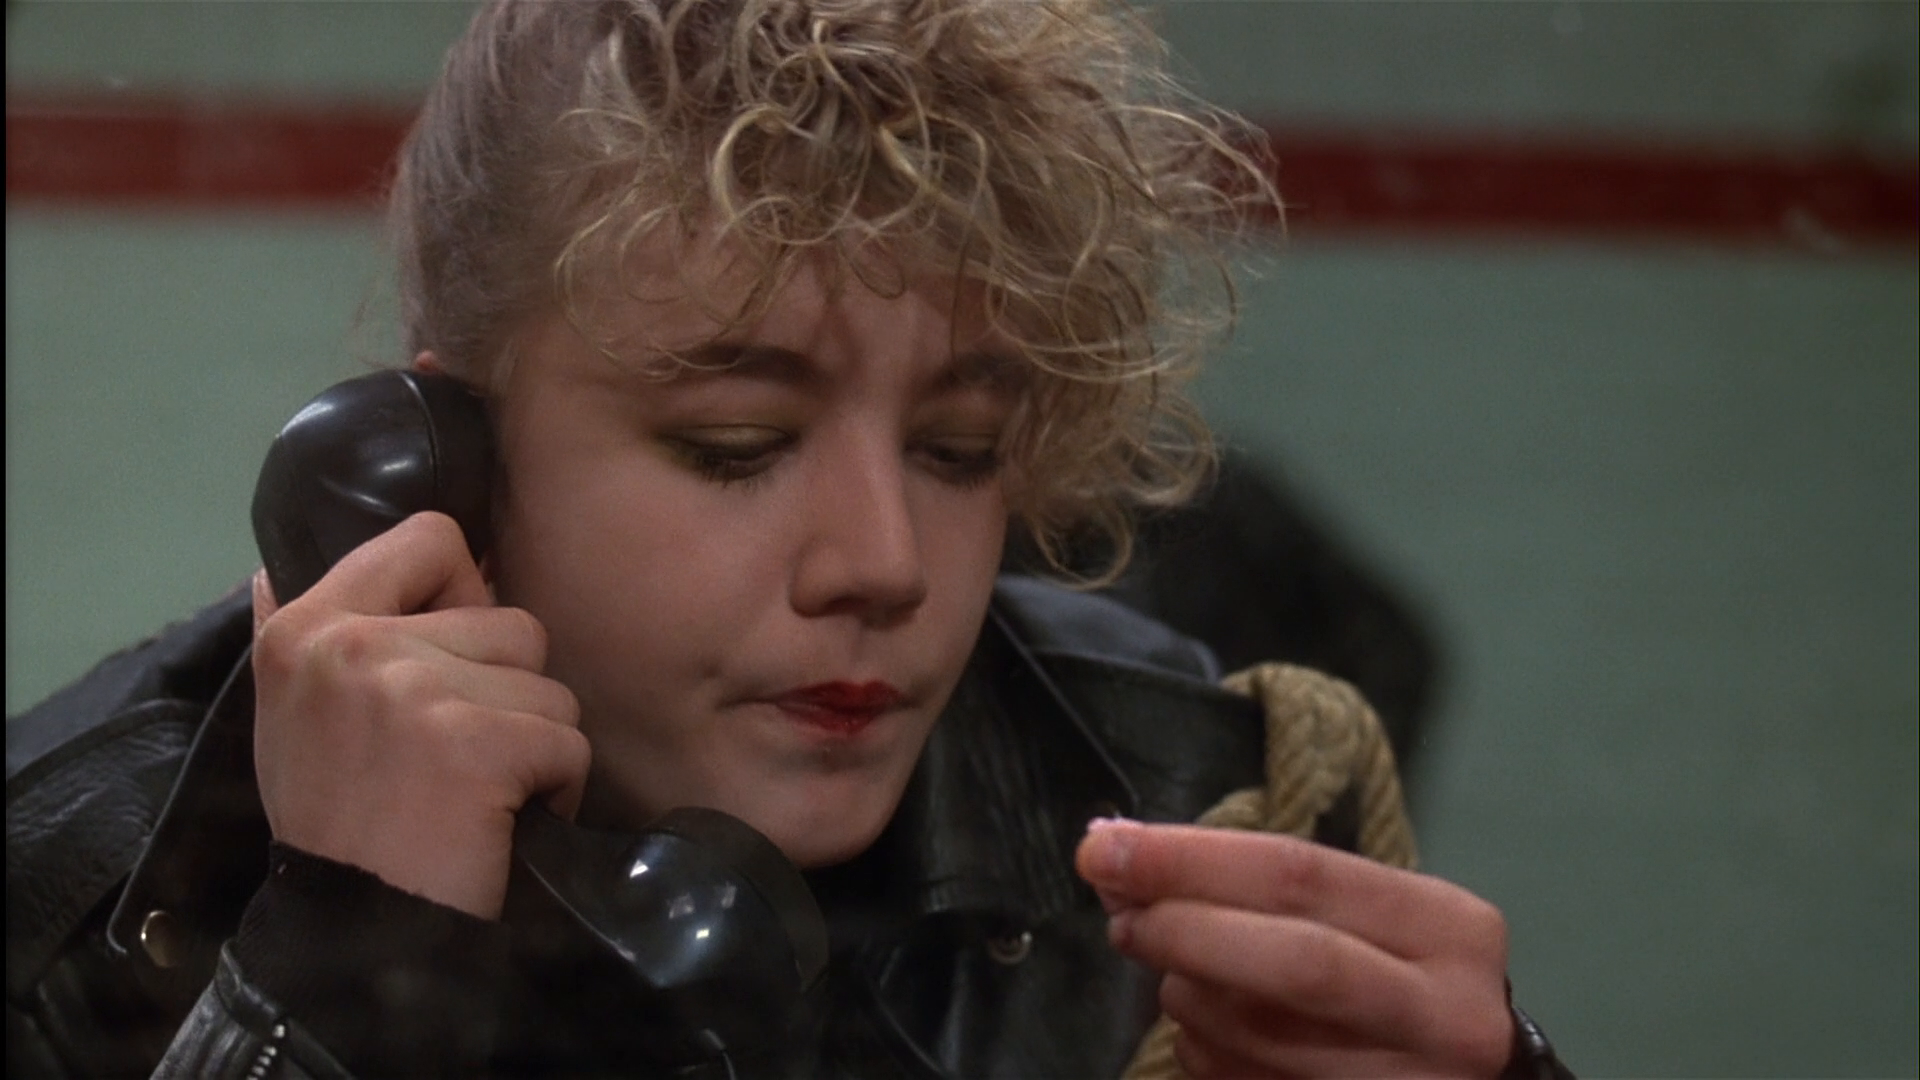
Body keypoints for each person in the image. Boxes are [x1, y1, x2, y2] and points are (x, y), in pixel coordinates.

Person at [5, 1, 1572, 1077]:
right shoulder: (78, 883)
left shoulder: (1184, 793)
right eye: (735, 447)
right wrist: (331, 992)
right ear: (447, 457)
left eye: (960, 450)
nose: (885, 562)